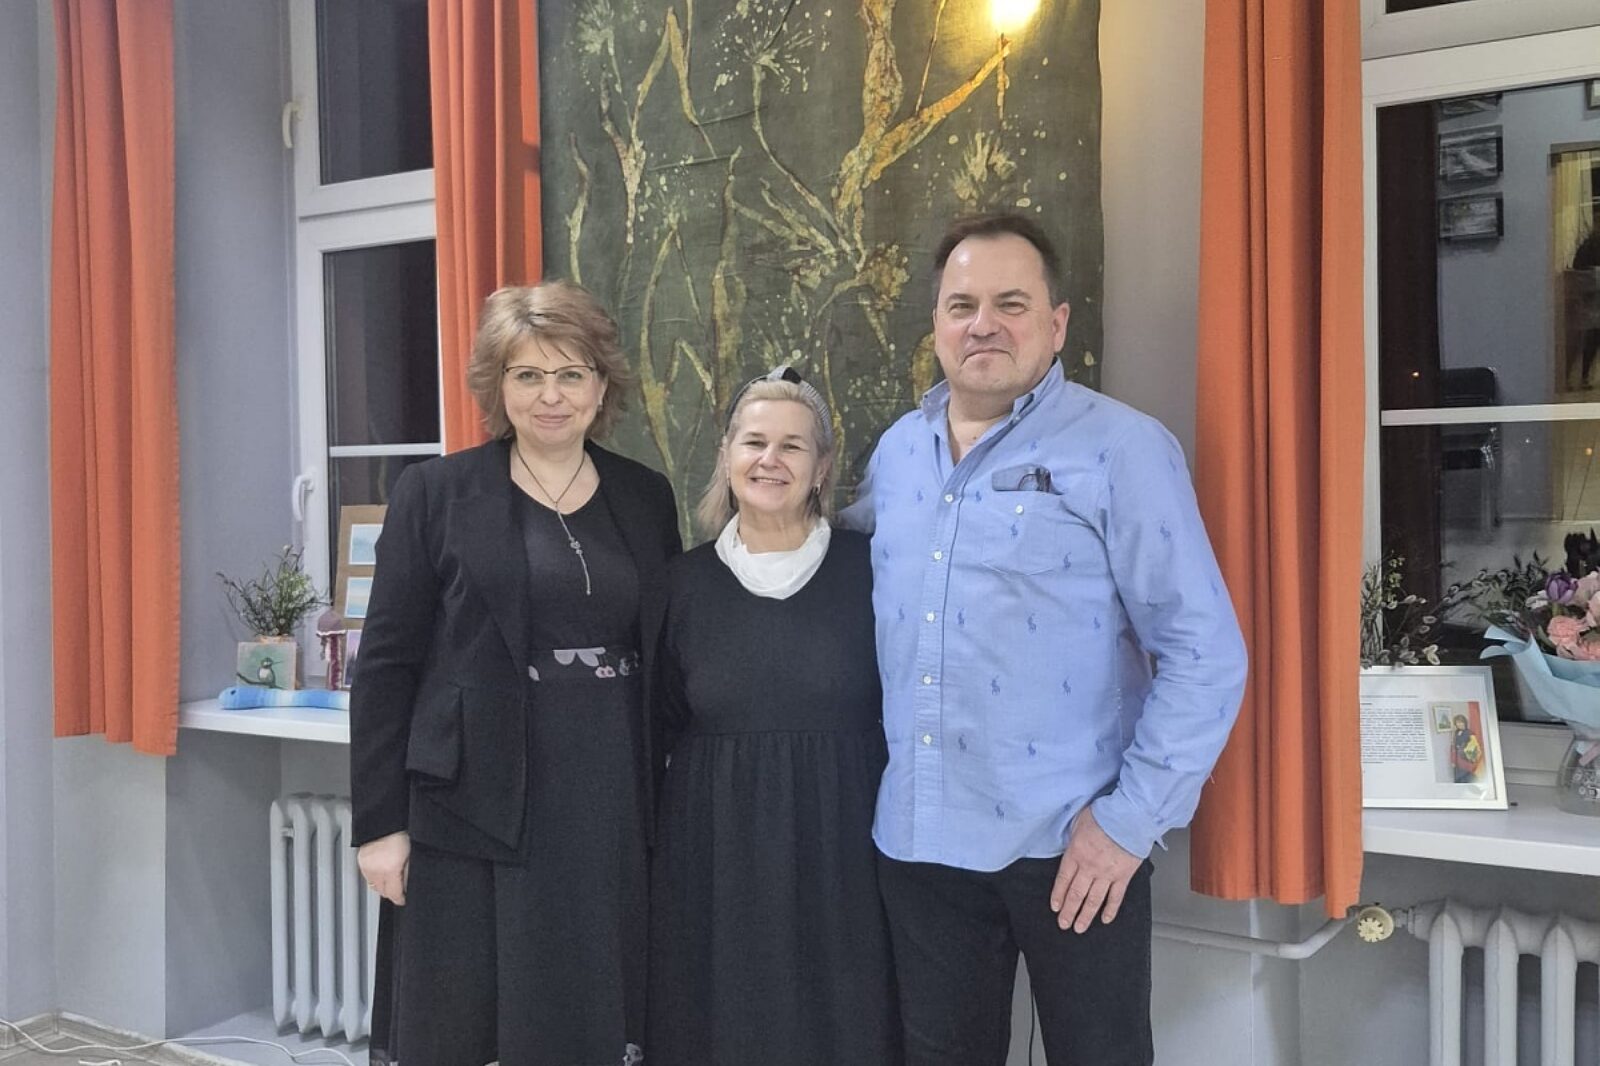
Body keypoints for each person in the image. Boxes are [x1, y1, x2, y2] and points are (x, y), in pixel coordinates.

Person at [843, 213, 1248, 1066]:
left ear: (1056, 324)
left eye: (1011, 303)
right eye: (962, 305)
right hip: (920, 844)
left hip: (1073, 848)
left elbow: (1205, 652)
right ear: (936, 324)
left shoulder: (1122, 449)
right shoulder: (898, 453)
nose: (982, 324)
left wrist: (1129, 823)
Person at [350, 281, 680, 1066]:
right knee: (462, 1021)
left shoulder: (645, 496)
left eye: (569, 374)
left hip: (608, 796)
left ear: (600, 385)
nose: (550, 396)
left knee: (586, 1012)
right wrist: (378, 827)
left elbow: (669, 648)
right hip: (471, 800)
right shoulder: (435, 493)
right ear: (497, 387)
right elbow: (386, 666)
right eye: (527, 375)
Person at [647, 367, 901, 1066]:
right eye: (754, 442)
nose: (770, 460)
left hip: (847, 852)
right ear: (727, 457)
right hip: (714, 856)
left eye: (793, 446)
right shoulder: (679, 584)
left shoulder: (873, 572)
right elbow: (659, 720)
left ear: (821, 469)